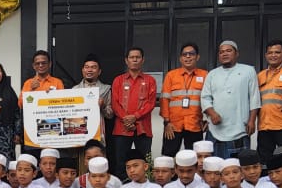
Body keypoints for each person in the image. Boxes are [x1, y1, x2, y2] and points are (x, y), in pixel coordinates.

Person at [201, 41, 260, 159]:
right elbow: (205, 97)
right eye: (221, 52)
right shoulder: (212, 74)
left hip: (239, 128)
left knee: (236, 169)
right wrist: (212, 114)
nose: (224, 54)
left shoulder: (248, 71)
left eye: (229, 51)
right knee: (214, 167)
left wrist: (252, 121)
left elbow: (254, 97)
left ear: (236, 53)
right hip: (215, 129)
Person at [111, 47, 158, 179]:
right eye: (132, 57)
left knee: (145, 162)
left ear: (142, 60)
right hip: (121, 128)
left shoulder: (150, 80)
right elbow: (115, 103)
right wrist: (126, 119)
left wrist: (134, 117)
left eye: (138, 57)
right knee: (120, 162)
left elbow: (150, 103)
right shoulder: (118, 80)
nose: (135, 59)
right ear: (126, 61)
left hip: (143, 128)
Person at [160, 43, 208, 157]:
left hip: (195, 124)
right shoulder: (171, 75)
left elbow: (210, 99)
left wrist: (207, 119)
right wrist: (166, 123)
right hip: (173, 126)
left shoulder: (205, 75)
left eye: (191, 54)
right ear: (180, 58)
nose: (188, 57)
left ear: (197, 57)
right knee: (168, 158)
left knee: (194, 158)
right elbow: (164, 100)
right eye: (184, 54)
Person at [20, 50, 64, 158]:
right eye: (37, 63)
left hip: (52, 129)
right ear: (33, 66)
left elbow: (63, 104)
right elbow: (21, 104)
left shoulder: (57, 82)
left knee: (50, 161)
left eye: (43, 63)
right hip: (33, 130)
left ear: (49, 64)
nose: (40, 65)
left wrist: (52, 97)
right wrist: (31, 91)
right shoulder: (28, 83)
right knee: (33, 162)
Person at [72, 54, 115, 142]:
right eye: (87, 67)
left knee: (98, 155)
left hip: (98, 133)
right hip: (79, 132)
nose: (89, 70)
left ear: (99, 71)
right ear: (82, 70)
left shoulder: (106, 89)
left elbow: (110, 115)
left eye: (93, 67)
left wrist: (103, 106)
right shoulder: (74, 90)